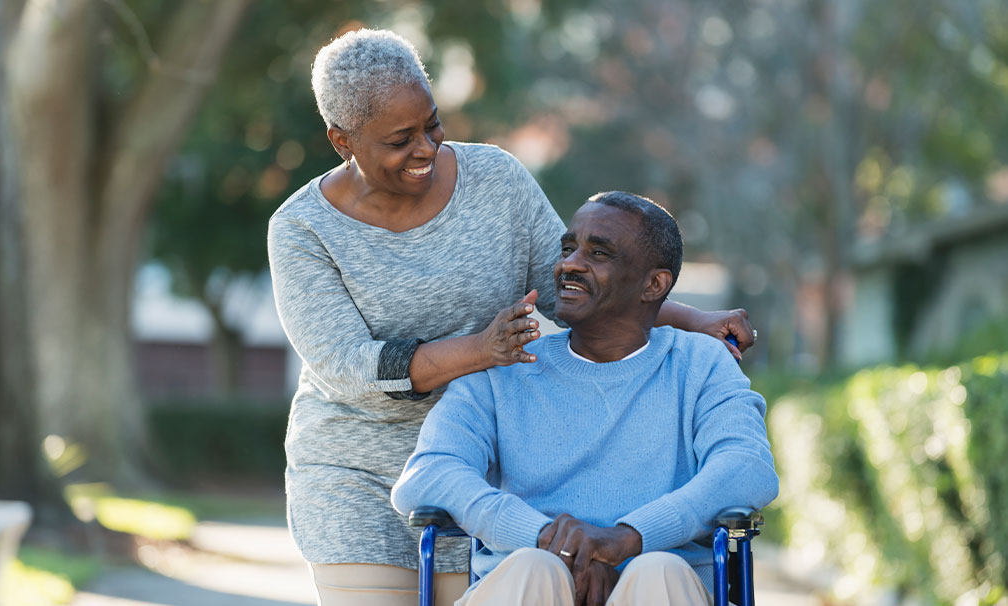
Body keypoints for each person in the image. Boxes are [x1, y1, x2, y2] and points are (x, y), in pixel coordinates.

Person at [268, 28, 756, 606]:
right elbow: (346, 366)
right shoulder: (301, 229)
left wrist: (689, 319)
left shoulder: (494, 179)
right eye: (401, 139)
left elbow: (576, 283)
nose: (425, 148)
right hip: (361, 473)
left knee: (534, 577)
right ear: (341, 139)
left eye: (432, 124)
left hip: (504, 468)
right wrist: (482, 352)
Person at [391, 191, 778, 606]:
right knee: (534, 567)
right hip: (530, 586)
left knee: (658, 568)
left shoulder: (702, 365)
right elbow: (428, 473)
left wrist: (631, 538)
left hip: (660, 588)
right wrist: (545, 540)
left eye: (599, 253)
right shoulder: (507, 365)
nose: (569, 264)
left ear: (654, 284)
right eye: (569, 248)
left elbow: (747, 467)